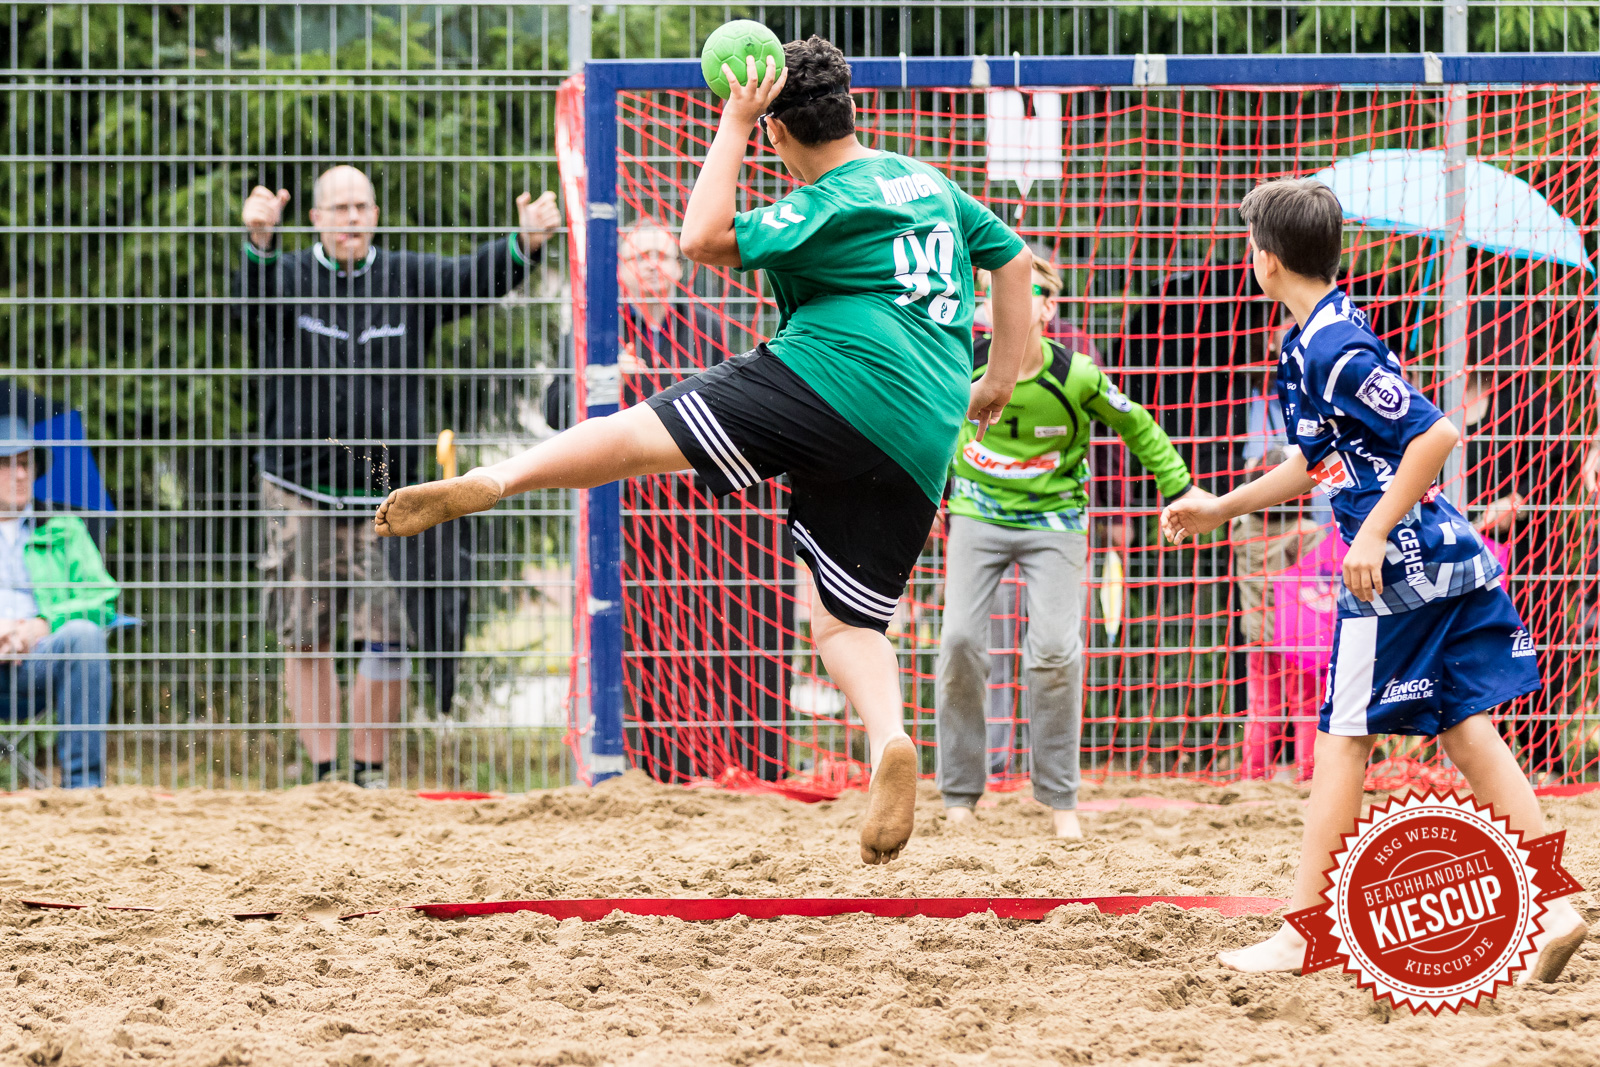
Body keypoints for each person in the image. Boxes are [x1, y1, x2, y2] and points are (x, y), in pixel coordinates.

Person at [373, 35, 1033, 864]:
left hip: (835, 374)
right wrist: (998, 381)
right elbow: (1010, 261)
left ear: (778, 134)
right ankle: (890, 741)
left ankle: (498, 477)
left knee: (637, 435)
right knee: (840, 619)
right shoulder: (929, 184)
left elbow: (699, 236)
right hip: (927, 423)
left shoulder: (826, 201)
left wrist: (732, 120)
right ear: (852, 109)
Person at [1162, 177, 1587, 980]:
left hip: (1396, 568)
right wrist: (1223, 507)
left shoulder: (1336, 346)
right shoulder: (1312, 338)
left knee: (1340, 737)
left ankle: (1302, 931)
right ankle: (1559, 904)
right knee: (1463, 725)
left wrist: (1376, 530)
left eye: (1251, 243)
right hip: (1424, 556)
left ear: (1269, 260)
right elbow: (1311, 463)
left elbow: (1435, 433)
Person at [233, 165, 562, 788]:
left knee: (385, 638)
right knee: (305, 640)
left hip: (388, 498)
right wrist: (258, 243)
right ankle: (326, 776)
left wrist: (525, 243)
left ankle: (370, 774)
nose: (351, 218)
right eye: (339, 208)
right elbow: (246, 311)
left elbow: (472, 281)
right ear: (317, 219)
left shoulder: (408, 277)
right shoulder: (287, 276)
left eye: (361, 206)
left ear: (375, 214)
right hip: (296, 489)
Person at [937, 253, 1206, 837]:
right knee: (958, 641)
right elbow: (918, 419)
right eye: (991, 291)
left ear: (1048, 308)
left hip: (1055, 523)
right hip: (975, 517)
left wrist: (1180, 489)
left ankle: (1060, 803)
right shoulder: (960, 361)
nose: (1004, 298)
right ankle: (959, 795)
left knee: (1055, 650)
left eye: (1024, 289)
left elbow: (1140, 427)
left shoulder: (1077, 374)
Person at [544, 221, 793, 783]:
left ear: (680, 269)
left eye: (663, 254)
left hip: (708, 515)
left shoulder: (710, 329)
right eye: (640, 256)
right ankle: (659, 767)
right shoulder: (594, 332)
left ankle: (745, 763)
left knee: (721, 635)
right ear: (622, 272)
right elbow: (555, 409)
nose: (654, 264)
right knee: (646, 641)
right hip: (629, 518)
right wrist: (600, 385)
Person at [0, 418, 117, 788]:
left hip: (39, 661)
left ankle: (82, 791)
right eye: (5, 463)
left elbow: (103, 598)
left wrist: (42, 624)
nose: (19, 474)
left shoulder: (65, 526)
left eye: (25, 463)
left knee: (84, 635)